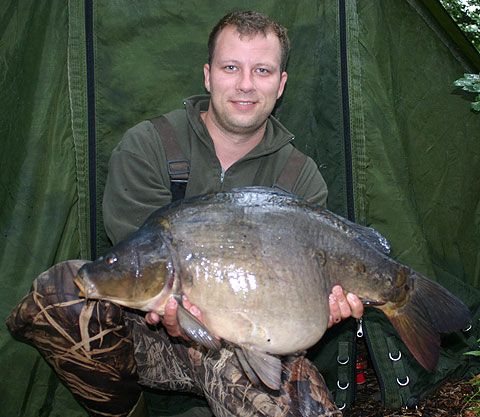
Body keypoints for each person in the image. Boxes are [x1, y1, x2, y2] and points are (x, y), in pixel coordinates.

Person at [7, 10, 363, 417]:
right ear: (209, 75)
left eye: (262, 70)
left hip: (249, 337)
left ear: (280, 84)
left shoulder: (300, 177)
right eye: (232, 67)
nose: (245, 84)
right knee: (64, 293)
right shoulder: (149, 145)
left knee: (299, 404)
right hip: (151, 337)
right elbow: (136, 262)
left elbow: (293, 316)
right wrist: (177, 308)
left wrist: (326, 306)